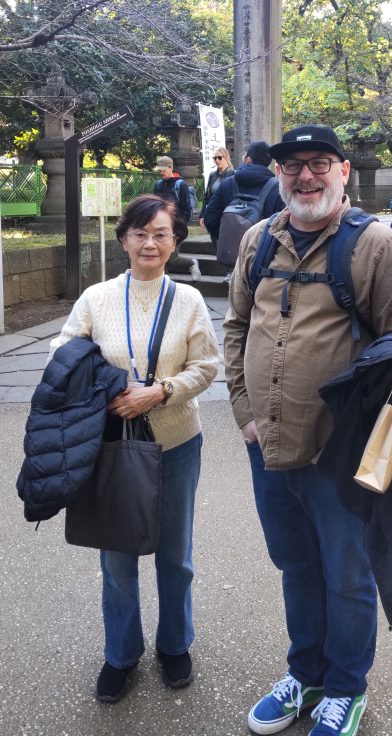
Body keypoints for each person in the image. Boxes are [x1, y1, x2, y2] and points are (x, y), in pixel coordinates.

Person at [223, 125, 392, 736]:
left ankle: (346, 687)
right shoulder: (258, 240)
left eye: (319, 163)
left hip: (340, 453)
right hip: (268, 444)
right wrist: (245, 414)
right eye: (293, 165)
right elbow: (236, 327)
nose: (305, 176)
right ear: (278, 174)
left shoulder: (375, 245)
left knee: (347, 575)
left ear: (343, 171)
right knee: (296, 565)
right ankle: (305, 674)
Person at [50, 195, 219, 704]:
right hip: (114, 445)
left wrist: (160, 391)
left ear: (175, 241)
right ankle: (121, 653)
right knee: (117, 556)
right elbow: (62, 352)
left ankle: (175, 644)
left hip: (176, 442)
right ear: (124, 239)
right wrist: (107, 387)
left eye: (161, 233)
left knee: (176, 554)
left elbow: (206, 366)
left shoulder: (188, 300)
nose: (150, 243)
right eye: (140, 233)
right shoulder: (96, 297)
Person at [203, 140, 284, 246]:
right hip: (262, 251)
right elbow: (284, 224)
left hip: (231, 250)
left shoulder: (228, 183)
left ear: (248, 159)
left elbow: (210, 218)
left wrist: (228, 237)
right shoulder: (276, 187)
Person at [199, 147, 234, 230]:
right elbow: (207, 197)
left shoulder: (232, 174)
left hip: (227, 214)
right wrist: (202, 215)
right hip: (213, 215)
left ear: (226, 157)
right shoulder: (212, 175)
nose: (217, 160)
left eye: (220, 158)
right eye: (215, 158)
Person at [154, 155, 192, 224]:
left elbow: (186, 210)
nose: (161, 173)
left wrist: (179, 225)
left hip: (176, 225)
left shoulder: (181, 184)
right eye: (159, 170)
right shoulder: (158, 184)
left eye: (163, 170)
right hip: (160, 224)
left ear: (171, 168)